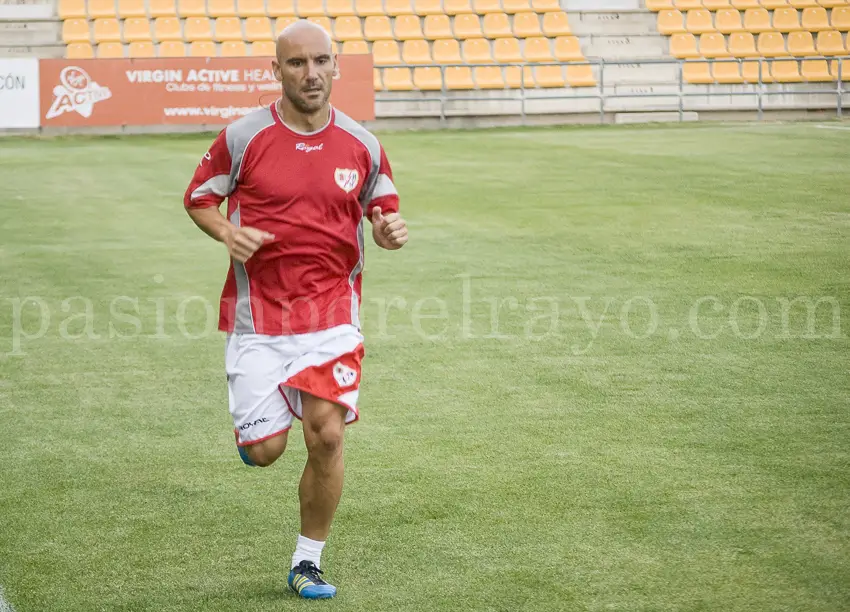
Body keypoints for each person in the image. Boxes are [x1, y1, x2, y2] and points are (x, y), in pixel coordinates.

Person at [182, 20, 408, 600]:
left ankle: (307, 562)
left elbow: (382, 208)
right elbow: (199, 197)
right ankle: (271, 411)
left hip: (332, 316)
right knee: (265, 452)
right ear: (277, 70)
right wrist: (227, 232)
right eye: (297, 63)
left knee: (326, 436)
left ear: (336, 66)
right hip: (260, 319)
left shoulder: (361, 143)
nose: (311, 73)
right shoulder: (244, 137)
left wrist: (387, 231)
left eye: (320, 61)